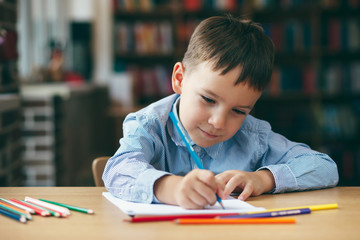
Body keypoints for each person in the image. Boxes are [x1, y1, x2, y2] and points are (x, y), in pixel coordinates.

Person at [103, 15, 339, 209]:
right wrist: (171, 188)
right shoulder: (149, 125)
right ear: (179, 79)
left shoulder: (252, 135)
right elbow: (118, 170)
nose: (218, 122)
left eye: (238, 111)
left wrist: (263, 179)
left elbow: (324, 167)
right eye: (208, 99)